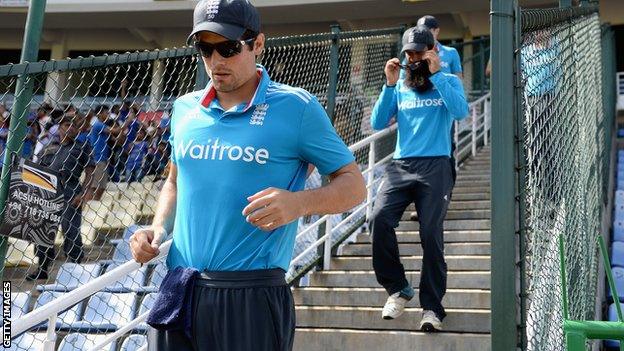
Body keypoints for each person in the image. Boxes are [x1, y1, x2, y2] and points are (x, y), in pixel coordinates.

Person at [129, 1, 366, 350]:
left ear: (258, 44)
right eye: (205, 49)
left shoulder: (296, 107)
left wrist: (299, 203)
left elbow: (354, 185)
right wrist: (158, 227)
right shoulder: (184, 108)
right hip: (179, 287)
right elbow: (174, 181)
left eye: (228, 47)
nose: (216, 60)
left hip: (252, 294)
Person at [369, 25, 468, 332]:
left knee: (430, 234)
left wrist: (438, 75)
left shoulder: (447, 80)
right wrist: (388, 84)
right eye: (409, 53)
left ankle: (432, 308)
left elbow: (461, 112)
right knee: (379, 218)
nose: (413, 58)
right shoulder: (399, 84)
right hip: (401, 165)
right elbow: (377, 122)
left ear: (431, 52)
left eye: (418, 53)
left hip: (436, 165)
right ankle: (398, 287)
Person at [27, 113, 95, 280]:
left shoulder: (82, 146)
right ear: (60, 127)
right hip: (48, 192)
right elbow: (37, 169)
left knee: (71, 231)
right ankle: (42, 268)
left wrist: (83, 194)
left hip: (71, 191)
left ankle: (75, 268)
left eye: (74, 125)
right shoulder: (48, 145)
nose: (71, 128)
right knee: (43, 231)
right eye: (66, 125)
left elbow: (90, 171)